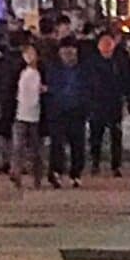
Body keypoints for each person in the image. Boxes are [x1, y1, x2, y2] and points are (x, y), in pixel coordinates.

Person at [86, 27, 130, 175]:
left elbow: (128, 79)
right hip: (96, 102)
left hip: (114, 101)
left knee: (116, 133)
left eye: (109, 42)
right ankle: (95, 162)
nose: (107, 46)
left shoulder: (120, 59)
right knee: (96, 134)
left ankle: (116, 165)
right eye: (103, 43)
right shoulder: (92, 61)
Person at [44, 35, 90, 187]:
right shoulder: (53, 69)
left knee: (77, 143)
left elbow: (89, 89)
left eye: (70, 52)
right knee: (57, 143)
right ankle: (55, 172)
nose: (67, 56)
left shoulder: (83, 69)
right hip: (58, 111)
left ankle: (75, 173)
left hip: (77, 111)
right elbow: (48, 88)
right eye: (64, 52)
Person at [0, 32, 27, 174]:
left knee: (2, 131)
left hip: (4, 100)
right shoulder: (24, 61)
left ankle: (1, 161)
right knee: (17, 132)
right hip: (20, 100)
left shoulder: (2, 60)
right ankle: (15, 163)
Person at [10, 38, 46, 189]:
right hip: (21, 113)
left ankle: (37, 176)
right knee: (18, 146)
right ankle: (16, 172)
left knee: (36, 148)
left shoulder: (42, 72)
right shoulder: (21, 72)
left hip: (36, 115)